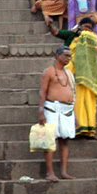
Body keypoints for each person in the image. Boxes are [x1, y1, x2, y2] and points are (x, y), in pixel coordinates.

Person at [37, 47, 75, 181]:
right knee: (49, 140)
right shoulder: (49, 72)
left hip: (67, 109)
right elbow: (42, 92)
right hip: (52, 107)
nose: (68, 58)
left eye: (70, 56)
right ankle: (50, 173)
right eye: (65, 55)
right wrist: (41, 112)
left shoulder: (68, 73)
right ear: (57, 56)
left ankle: (64, 172)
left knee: (65, 140)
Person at [65, 17, 97, 139]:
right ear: (80, 26)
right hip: (79, 76)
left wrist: (82, 33)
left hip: (91, 77)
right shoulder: (75, 40)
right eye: (86, 27)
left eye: (90, 28)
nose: (88, 30)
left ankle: (90, 130)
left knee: (91, 105)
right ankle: (80, 128)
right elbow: (72, 57)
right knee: (79, 103)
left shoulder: (91, 38)